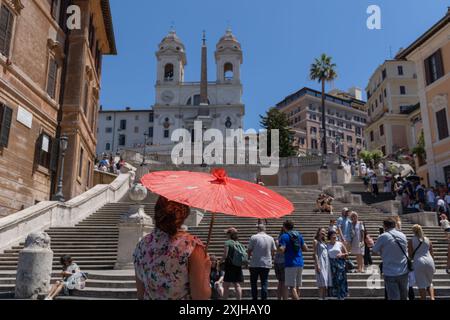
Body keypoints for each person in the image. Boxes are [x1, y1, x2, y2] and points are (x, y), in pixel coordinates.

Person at [133, 196, 211, 300]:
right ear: (185, 214)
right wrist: (205, 271)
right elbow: (201, 296)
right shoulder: (192, 246)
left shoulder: (142, 245)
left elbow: (140, 294)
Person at [372, 218, 409, 300]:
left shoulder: (383, 236)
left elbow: (374, 251)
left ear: (385, 226)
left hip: (390, 271)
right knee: (404, 296)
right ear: (395, 225)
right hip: (403, 270)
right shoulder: (402, 235)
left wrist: (374, 246)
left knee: (393, 297)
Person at [279, 220, 309, 300]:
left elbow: (282, 249)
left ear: (284, 227)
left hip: (290, 264)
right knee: (297, 287)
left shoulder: (284, 236)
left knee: (292, 287)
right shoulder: (299, 235)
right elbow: (306, 248)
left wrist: (278, 247)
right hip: (300, 262)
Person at [247, 224, 276, 300]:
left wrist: (248, 258)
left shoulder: (254, 237)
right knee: (264, 282)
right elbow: (274, 250)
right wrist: (271, 258)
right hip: (266, 263)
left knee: (253, 282)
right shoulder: (270, 238)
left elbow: (249, 250)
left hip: (255, 263)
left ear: (257, 229)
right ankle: (264, 298)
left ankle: (254, 298)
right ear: (264, 229)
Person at [408, 225, 436, 300]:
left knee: (421, 284)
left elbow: (410, 255)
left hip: (418, 261)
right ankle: (432, 298)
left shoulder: (411, 240)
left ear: (413, 231)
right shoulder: (428, 239)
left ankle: (423, 298)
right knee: (429, 282)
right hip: (430, 261)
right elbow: (432, 253)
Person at [222, 228, 245, 300]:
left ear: (229, 234)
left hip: (230, 265)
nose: (226, 235)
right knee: (237, 284)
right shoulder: (238, 243)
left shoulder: (228, 242)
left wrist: (220, 261)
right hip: (238, 265)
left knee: (226, 285)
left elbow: (225, 255)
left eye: (227, 233)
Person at [327, 230, 349, 300]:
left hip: (340, 264)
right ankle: (334, 295)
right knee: (334, 280)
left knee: (341, 279)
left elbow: (347, 254)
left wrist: (341, 254)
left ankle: (341, 296)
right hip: (331, 264)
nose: (334, 236)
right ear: (329, 236)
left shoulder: (340, 243)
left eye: (335, 235)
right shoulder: (327, 245)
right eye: (333, 235)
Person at [313, 228, 331, 300]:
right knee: (321, 281)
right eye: (322, 231)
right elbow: (315, 254)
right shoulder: (315, 241)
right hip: (320, 262)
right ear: (319, 232)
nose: (323, 232)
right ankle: (320, 298)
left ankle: (324, 297)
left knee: (325, 282)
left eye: (324, 231)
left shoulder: (324, 241)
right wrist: (317, 264)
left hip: (326, 262)